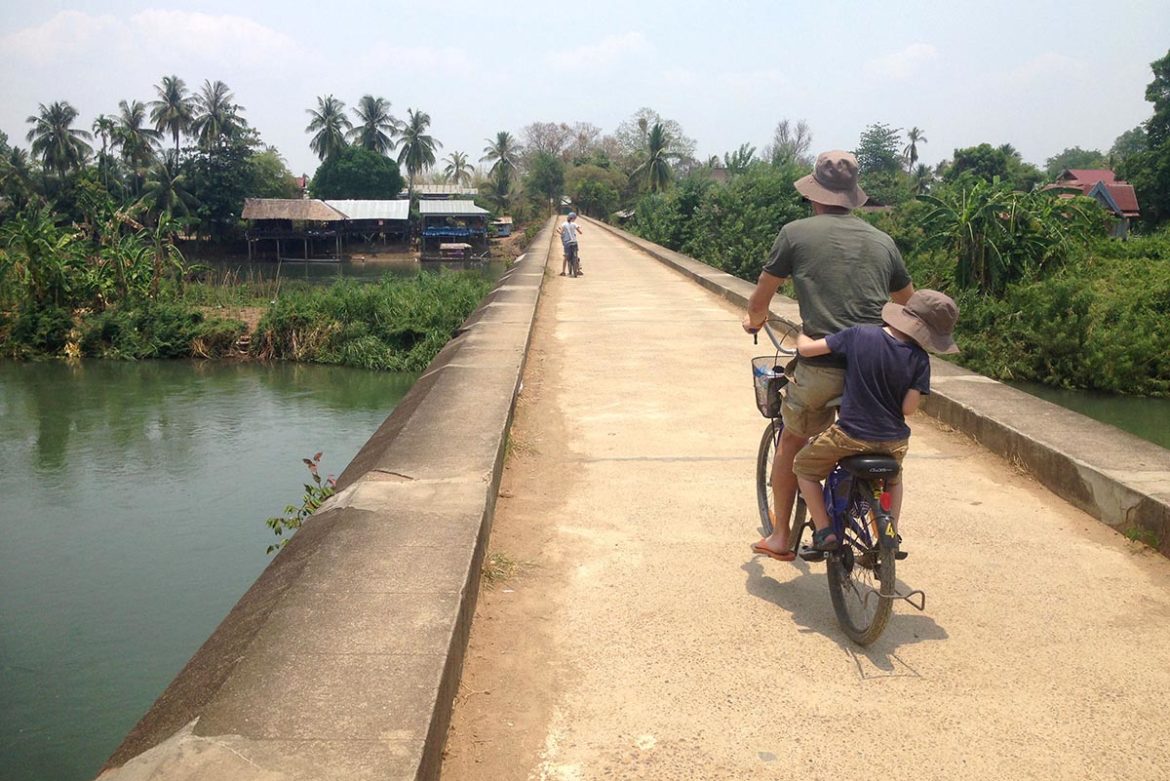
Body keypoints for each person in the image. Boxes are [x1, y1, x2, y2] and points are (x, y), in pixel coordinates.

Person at [742, 150, 914, 562]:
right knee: (884, 450)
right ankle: (883, 533)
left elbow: (760, 299)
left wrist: (754, 320)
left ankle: (782, 537)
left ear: (814, 194)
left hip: (822, 366)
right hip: (879, 370)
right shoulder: (883, 241)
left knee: (792, 442)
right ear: (853, 196)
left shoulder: (795, 233)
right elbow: (908, 306)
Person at [792, 290, 960, 548]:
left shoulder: (859, 335)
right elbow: (908, 409)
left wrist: (802, 334)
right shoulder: (920, 359)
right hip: (893, 442)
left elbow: (807, 350)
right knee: (894, 478)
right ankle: (889, 531)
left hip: (850, 436)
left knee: (804, 467)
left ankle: (825, 532)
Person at [559, 212, 583, 276]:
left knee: (566, 257)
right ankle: (578, 270)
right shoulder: (574, 224)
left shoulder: (563, 224)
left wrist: (558, 231)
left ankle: (563, 272)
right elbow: (580, 232)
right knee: (576, 255)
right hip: (574, 242)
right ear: (574, 218)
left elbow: (561, 233)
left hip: (567, 242)